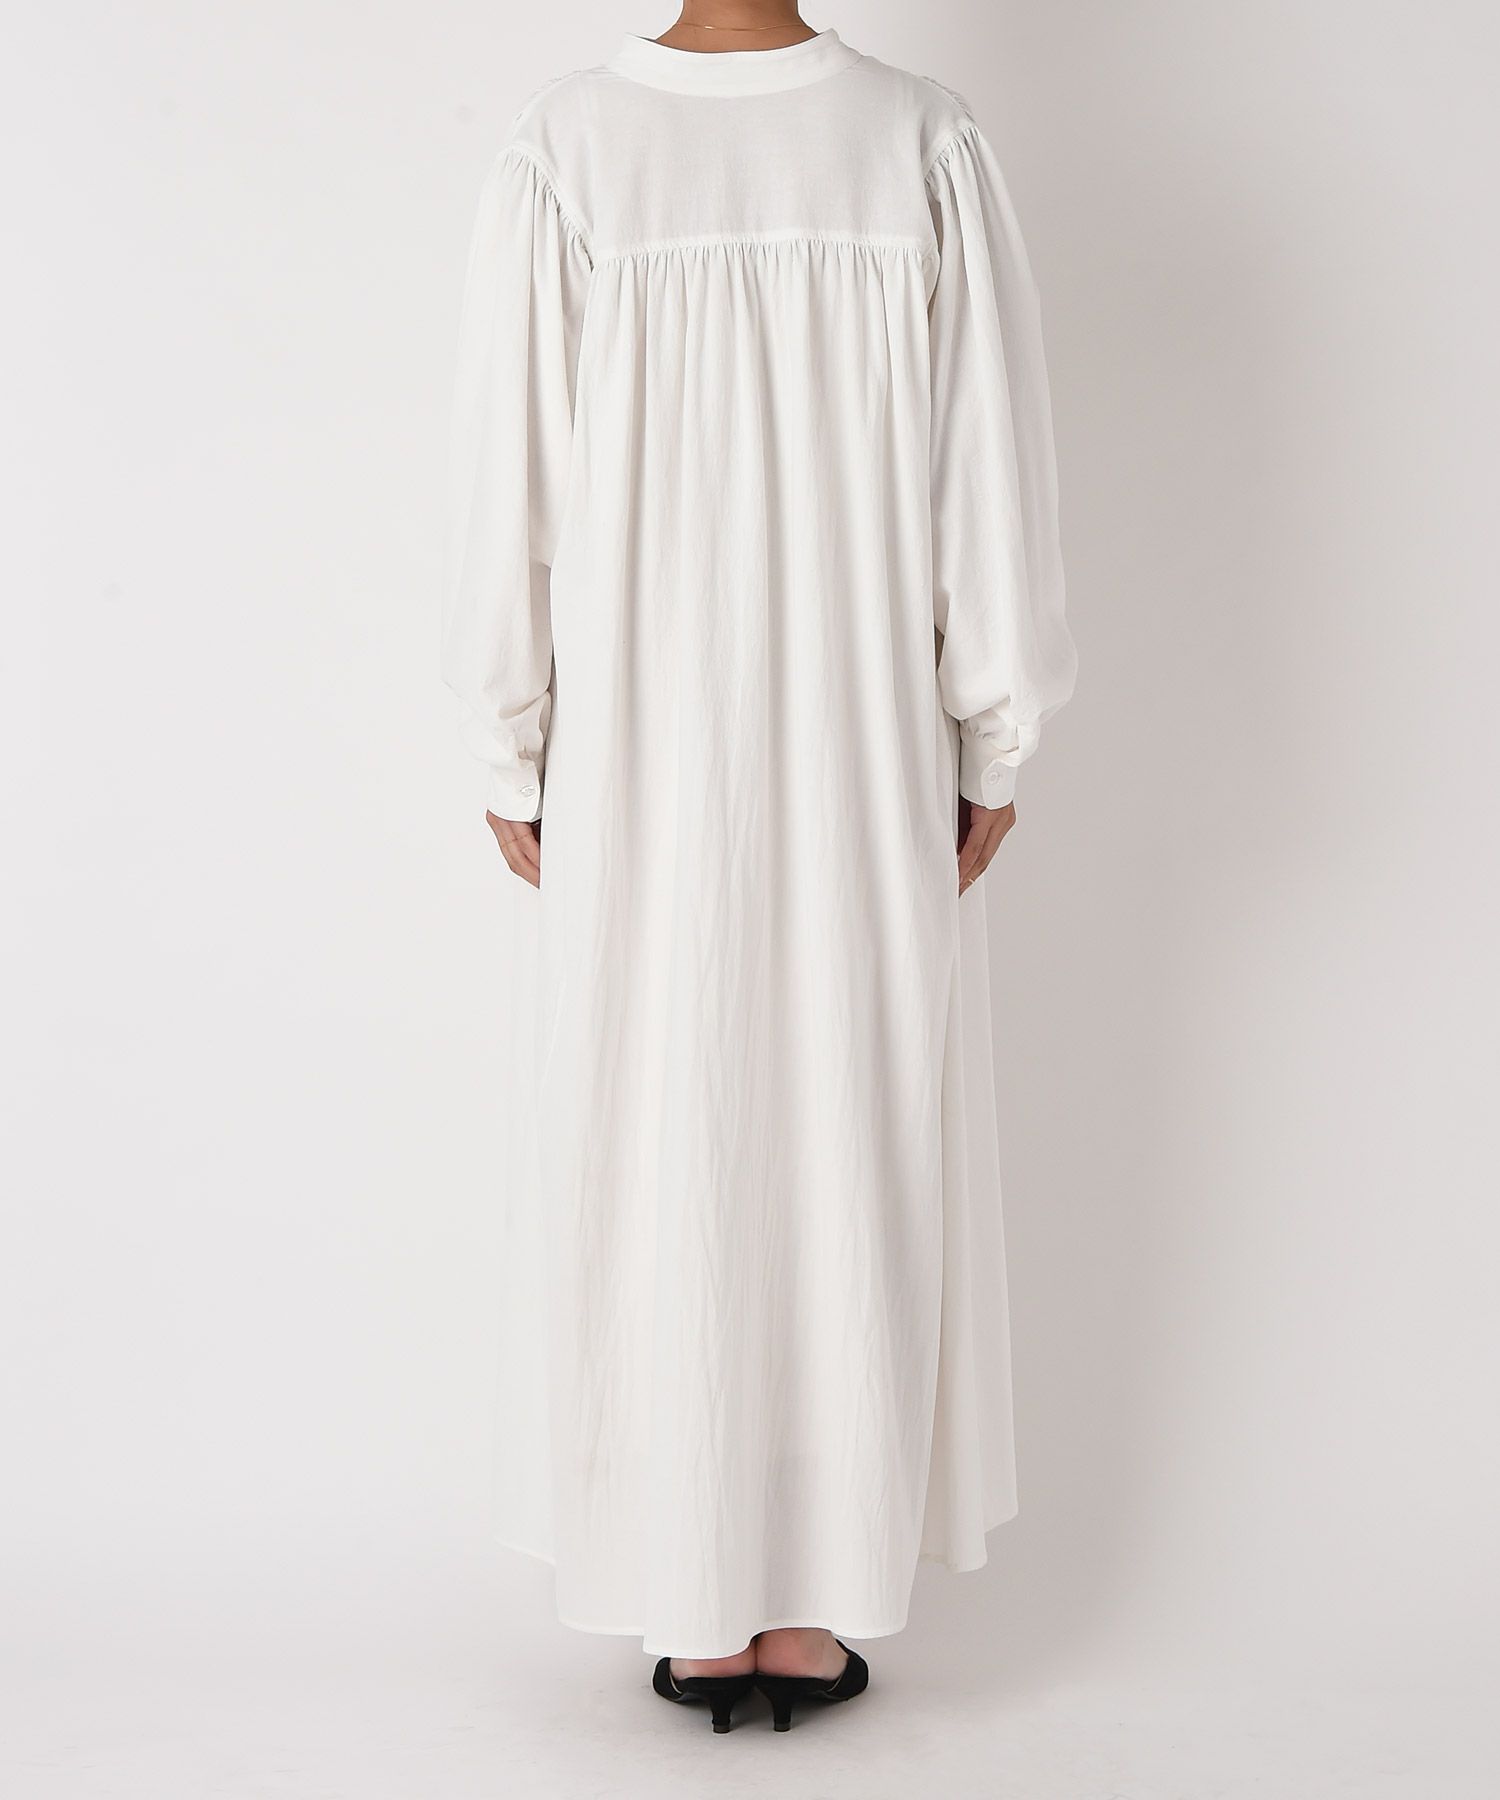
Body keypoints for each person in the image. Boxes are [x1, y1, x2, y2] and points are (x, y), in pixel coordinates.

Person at [441, 3, 1076, 1733]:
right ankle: (805, 1598)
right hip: (858, 738)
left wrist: (512, 737)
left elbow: (510, 489)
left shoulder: (570, 150)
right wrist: (992, 726)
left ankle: (694, 1587)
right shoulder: (917, 142)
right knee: (845, 1126)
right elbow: (987, 475)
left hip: (641, 752)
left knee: (664, 1130)